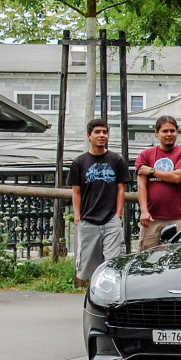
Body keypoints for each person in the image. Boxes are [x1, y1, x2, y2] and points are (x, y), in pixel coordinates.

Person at [68, 118, 131, 282]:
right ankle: (94, 297)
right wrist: (77, 216)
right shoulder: (79, 162)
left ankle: (112, 298)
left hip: (111, 219)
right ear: (89, 136)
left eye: (104, 132)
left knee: (112, 264)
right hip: (88, 219)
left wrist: (118, 214)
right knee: (89, 266)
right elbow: (76, 192)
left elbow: (121, 189)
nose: (101, 135)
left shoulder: (116, 160)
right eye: (97, 132)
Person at [134, 115, 181, 249]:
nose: (169, 134)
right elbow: (142, 185)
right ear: (156, 133)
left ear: (177, 133)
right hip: (152, 217)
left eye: (172, 131)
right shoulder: (146, 154)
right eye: (165, 131)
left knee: (179, 257)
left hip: (179, 216)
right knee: (147, 258)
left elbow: (176, 177)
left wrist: (151, 171)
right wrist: (144, 211)